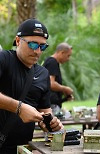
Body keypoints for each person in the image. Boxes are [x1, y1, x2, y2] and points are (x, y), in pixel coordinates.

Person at [0, 18, 63, 153]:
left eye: (43, 46)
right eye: (33, 45)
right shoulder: (4, 59)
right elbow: (20, 108)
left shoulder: (43, 73)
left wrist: (52, 124)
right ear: (18, 41)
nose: (38, 51)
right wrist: (19, 108)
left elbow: (45, 111)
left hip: (23, 148)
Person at [43, 43, 74, 111]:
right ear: (62, 53)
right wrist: (65, 89)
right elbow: (51, 84)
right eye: (68, 56)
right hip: (51, 105)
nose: (68, 59)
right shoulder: (52, 62)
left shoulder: (52, 62)